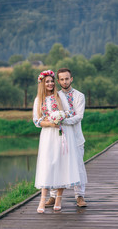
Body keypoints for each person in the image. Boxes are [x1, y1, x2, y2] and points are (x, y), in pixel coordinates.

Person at [33, 70, 80, 213]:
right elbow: (36, 121)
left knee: (62, 163)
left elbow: (70, 112)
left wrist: (60, 116)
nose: (50, 83)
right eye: (47, 81)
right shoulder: (38, 100)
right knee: (47, 164)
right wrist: (50, 123)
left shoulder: (59, 97)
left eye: (52, 81)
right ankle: (42, 199)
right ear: (42, 83)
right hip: (48, 135)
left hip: (61, 135)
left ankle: (58, 197)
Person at [45, 68, 87, 208]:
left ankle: (79, 196)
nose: (64, 81)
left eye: (67, 78)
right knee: (55, 164)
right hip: (59, 137)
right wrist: (55, 120)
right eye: (61, 79)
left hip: (75, 137)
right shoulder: (54, 96)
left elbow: (78, 116)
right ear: (58, 81)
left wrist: (62, 120)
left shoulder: (79, 96)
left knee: (79, 166)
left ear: (71, 79)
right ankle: (53, 196)